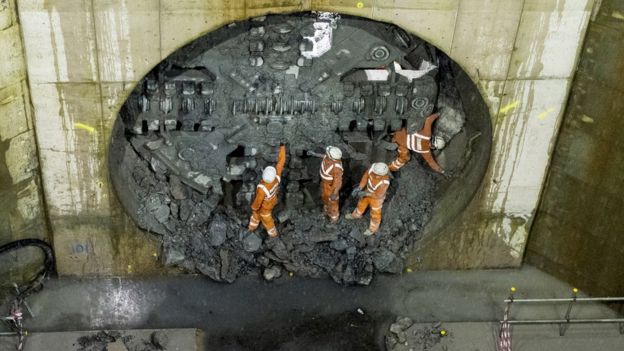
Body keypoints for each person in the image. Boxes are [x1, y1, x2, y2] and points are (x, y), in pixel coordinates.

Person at [248, 144, 286, 238]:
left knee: (265, 218)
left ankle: (272, 234)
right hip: (272, 201)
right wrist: (282, 148)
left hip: (265, 207)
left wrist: (254, 207)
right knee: (260, 215)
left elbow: (258, 201)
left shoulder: (262, 188)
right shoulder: (276, 178)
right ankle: (253, 226)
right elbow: (281, 162)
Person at [346, 162, 390, 236]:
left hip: (377, 198)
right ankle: (356, 215)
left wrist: (366, 194)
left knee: (375, 213)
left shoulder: (384, 182)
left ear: (381, 175)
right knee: (361, 203)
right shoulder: (372, 169)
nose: (374, 174)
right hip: (367, 191)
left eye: (376, 174)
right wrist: (360, 188)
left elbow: (378, 195)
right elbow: (365, 177)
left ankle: (373, 228)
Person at [319, 146, 344, 223]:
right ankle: (326, 209)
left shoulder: (336, 167)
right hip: (324, 184)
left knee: (332, 202)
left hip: (331, 187)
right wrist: (314, 154)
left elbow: (338, 182)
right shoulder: (328, 158)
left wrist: (335, 193)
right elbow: (324, 156)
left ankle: (334, 217)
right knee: (324, 197)